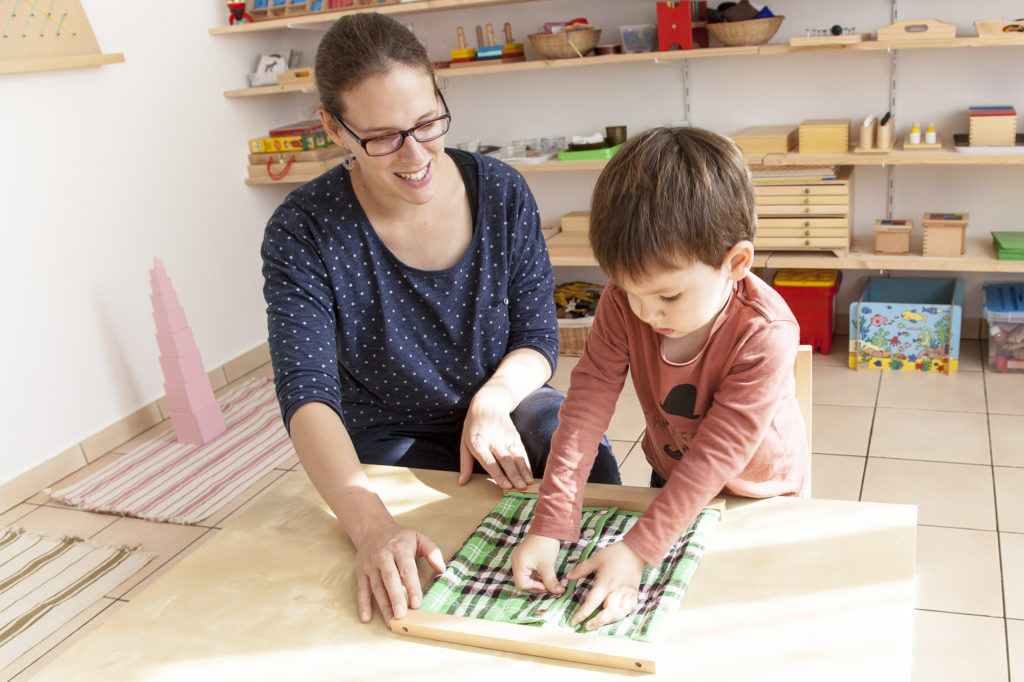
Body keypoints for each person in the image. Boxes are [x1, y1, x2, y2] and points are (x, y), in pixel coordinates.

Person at [260, 13, 620, 627]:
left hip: (505, 402)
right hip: (385, 433)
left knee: (583, 461)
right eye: (382, 137)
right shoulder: (304, 229)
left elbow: (536, 340)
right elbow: (308, 395)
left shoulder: (502, 192)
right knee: (417, 573)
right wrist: (372, 526)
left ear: (439, 95)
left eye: (427, 123)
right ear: (334, 128)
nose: (415, 154)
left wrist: (492, 403)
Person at [511, 126, 809, 631]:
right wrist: (552, 520)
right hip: (670, 475)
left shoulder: (766, 332)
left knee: (736, 618)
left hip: (759, 498)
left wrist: (638, 550)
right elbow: (584, 409)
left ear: (735, 263)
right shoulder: (622, 303)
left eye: (668, 296)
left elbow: (718, 454)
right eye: (628, 290)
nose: (645, 313)